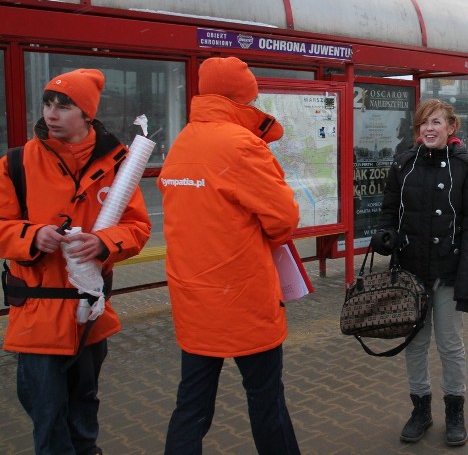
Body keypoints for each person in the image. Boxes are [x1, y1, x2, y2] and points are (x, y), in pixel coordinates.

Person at [0, 69, 151, 454]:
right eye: (49, 104)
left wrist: (103, 243)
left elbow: (137, 228)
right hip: (37, 313)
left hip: (90, 314)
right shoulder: (15, 163)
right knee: (47, 417)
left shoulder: (119, 165)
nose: (52, 113)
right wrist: (32, 235)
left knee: (85, 407)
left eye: (64, 106)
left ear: (87, 114)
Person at [159, 57, 301, 454]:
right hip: (243, 299)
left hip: (194, 300)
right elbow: (284, 218)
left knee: (191, 408)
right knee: (266, 401)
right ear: (244, 97)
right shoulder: (241, 144)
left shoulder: (184, 140)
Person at [371, 98, 468, 447]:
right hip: (411, 272)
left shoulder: (467, 167)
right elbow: (389, 211)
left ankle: (455, 411)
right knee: (416, 344)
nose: (429, 128)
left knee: (450, 345)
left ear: (452, 127)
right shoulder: (403, 164)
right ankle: (420, 409)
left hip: (449, 273)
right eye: (424, 123)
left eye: (437, 122)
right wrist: (385, 235)